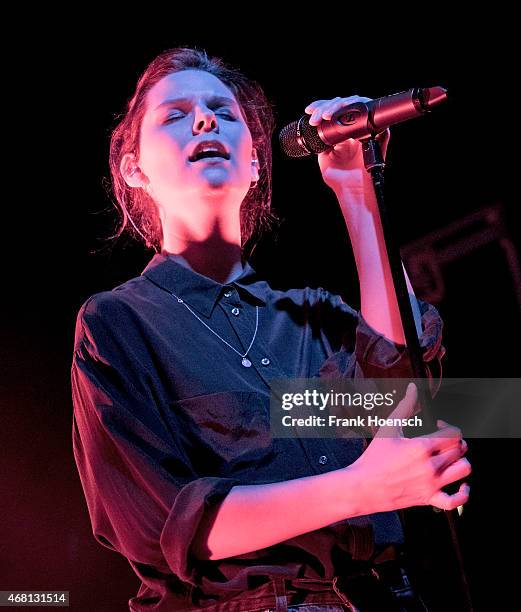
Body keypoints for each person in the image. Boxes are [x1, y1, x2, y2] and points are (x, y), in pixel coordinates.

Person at [71, 48, 471, 611]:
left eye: (223, 111)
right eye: (175, 114)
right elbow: (167, 525)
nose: (206, 119)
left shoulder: (312, 316)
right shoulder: (118, 323)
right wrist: (363, 487)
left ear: (256, 163)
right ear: (134, 168)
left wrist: (356, 190)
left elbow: (404, 402)